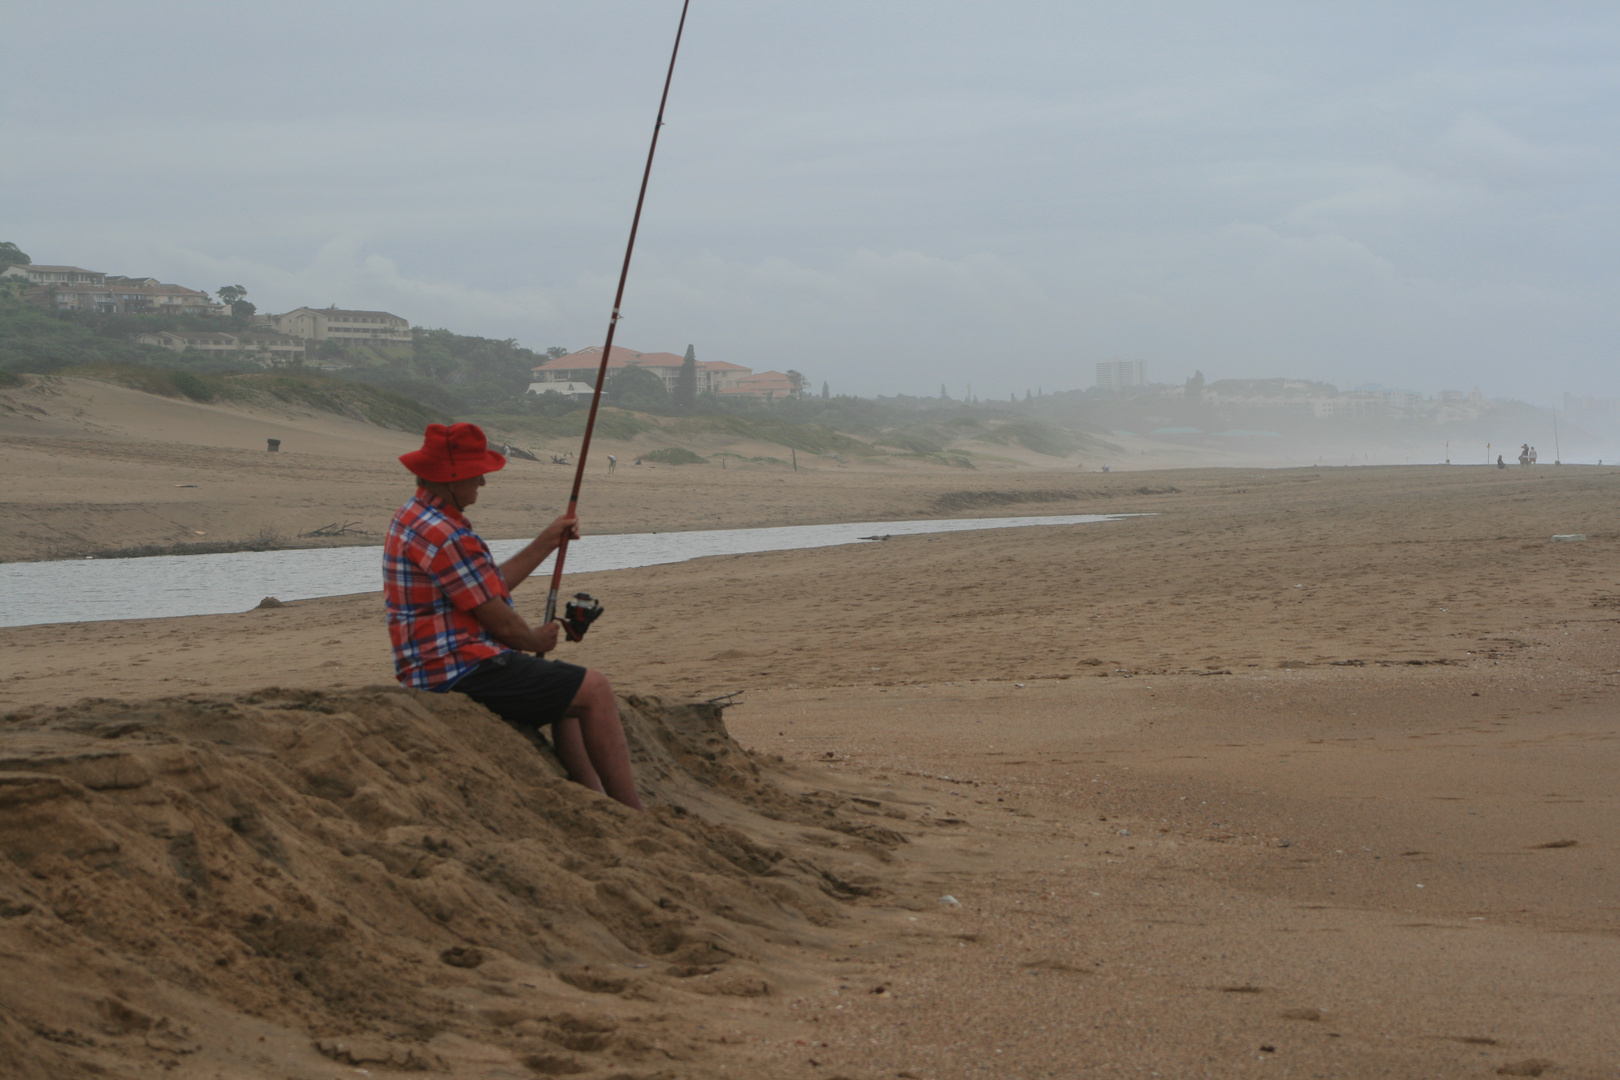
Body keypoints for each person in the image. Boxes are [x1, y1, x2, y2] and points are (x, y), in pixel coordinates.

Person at [384, 422, 643, 811]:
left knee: (567, 697)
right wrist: (534, 640)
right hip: (454, 671)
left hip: (431, 664)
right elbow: (500, 621)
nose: (483, 483)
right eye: (478, 474)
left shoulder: (414, 515)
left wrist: (546, 543)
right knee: (594, 689)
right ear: (453, 478)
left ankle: (599, 802)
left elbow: (483, 588)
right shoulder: (446, 534)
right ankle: (634, 811)